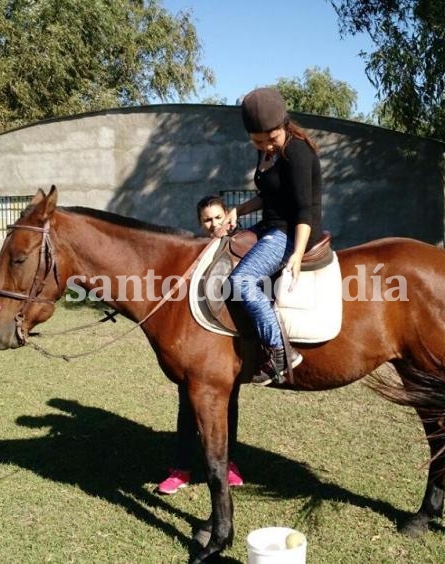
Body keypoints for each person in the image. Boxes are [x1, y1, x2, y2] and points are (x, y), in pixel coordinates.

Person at [226, 87, 323, 386]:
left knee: (241, 281)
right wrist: (238, 212)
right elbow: (267, 195)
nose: (266, 146)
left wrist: (295, 254)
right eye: (258, 141)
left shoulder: (298, 152)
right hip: (269, 225)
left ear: (284, 125)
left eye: (272, 139)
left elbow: (305, 210)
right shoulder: (265, 149)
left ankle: (281, 352)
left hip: (290, 231)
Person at [157, 195, 244, 494]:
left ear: (228, 217)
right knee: (187, 405)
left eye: (218, 217)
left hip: (228, 344)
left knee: (228, 404)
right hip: (196, 342)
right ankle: (181, 468)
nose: (213, 224)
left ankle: (229, 463)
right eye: (207, 219)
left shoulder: (242, 248)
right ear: (200, 223)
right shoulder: (198, 251)